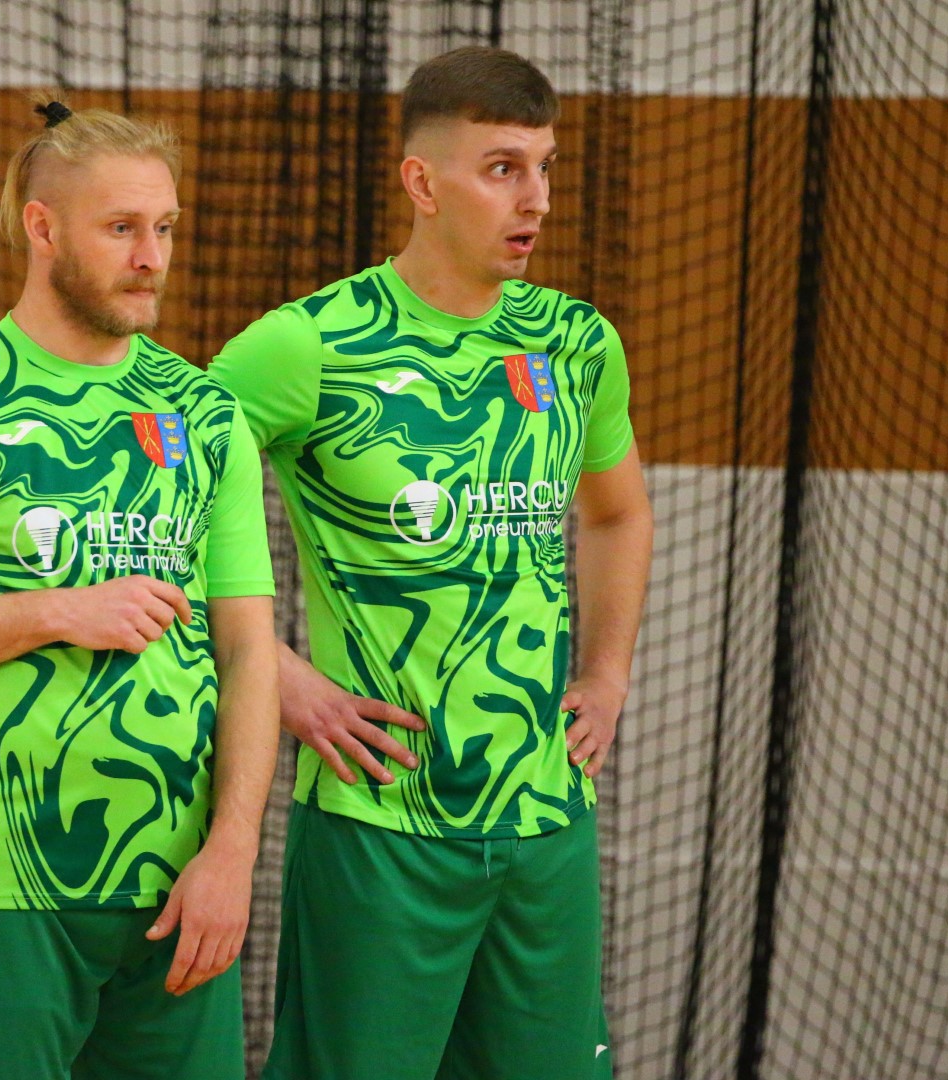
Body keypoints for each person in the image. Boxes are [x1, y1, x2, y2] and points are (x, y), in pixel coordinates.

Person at [209, 46, 653, 1080]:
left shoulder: (576, 343)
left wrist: (607, 673)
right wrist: (282, 679)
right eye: (502, 168)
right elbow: (153, 516)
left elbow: (618, 513)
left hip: (546, 822)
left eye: (545, 167)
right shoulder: (308, 345)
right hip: (380, 825)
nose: (536, 198)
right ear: (421, 181)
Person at [0, 98, 279, 1080]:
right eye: (122, 229)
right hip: (6, 888)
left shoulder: (206, 415)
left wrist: (234, 850)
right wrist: (58, 611)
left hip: (178, 895)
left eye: (164, 229)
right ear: (43, 227)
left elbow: (248, 651)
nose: (151, 258)